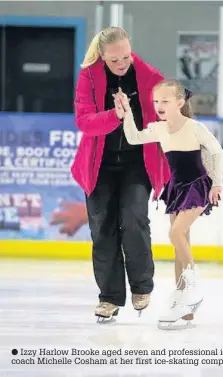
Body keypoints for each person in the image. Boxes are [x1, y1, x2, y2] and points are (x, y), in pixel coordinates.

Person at [71, 27, 170, 321]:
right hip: (98, 165)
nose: (122, 63)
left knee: (133, 218)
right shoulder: (88, 76)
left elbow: (170, 107)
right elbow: (85, 122)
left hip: (137, 163)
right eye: (115, 60)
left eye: (126, 56)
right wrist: (114, 116)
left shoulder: (149, 76)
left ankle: (142, 285)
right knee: (103, 228)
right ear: (102, 55)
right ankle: (110, 297)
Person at [114, 79, 223, 329]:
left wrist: (217, 183)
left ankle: (192, 288)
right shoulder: (159, 128)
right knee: (181, 243)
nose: (159, 105)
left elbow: (217, 152)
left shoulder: (194, 127)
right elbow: (133, 138)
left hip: (198, 186)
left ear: (180, 102)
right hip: (176, 188)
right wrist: (128, 112)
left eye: (165, 101)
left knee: (176, 233)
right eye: (156, 101)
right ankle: (185, 308)